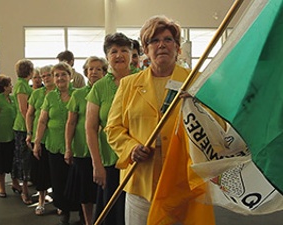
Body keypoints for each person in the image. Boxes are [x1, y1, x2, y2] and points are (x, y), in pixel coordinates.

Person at [105, 15, 215, 225]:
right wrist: (130, 148)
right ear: (146, 50)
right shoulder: (129, 84)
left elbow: (215, 126)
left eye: (168, 40)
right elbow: (113, 128)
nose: (161, 45)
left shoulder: (196, 82)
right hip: (141, 184)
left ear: (177, 47)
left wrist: (198, 106)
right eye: (154, 41)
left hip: (185, 184)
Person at [85, 32, 136, 225]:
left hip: (138, 162)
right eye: (113, 51)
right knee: (113, 215)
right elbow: (90, 128)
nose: (119, 55)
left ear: (131, 55)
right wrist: (96, 165)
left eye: (124, 50)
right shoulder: (99, 88)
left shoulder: (142, 80)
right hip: (110, 163)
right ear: (107, 57)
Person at [33, 62, 79, 225]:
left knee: (75, 181)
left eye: (63, 74)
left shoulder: (78, 94)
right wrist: (37, 142)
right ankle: (64, 212)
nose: (60, 78)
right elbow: (42, 121)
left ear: (70, 76)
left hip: (75, 145)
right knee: (58, 182)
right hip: (53, 145)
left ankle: (81, 213)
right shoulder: (50, 96)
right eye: (56, 75)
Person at [65, 56, 108, 225]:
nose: (94, 72)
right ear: (86, 72)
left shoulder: (110, 91)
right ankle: (89, 222)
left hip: (105, 150)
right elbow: (71, 123)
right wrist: (68, 147)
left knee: (104, 189)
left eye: (98, 69)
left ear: (104, 72)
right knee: (85, 191)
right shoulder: (78, 94)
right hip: (83, 149)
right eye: (91, 69)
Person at [26, 65, 55, 215]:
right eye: (42, 76)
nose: (45, 78)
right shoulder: (37, 94)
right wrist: (29, 133)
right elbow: (30, 114)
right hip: (40, 138)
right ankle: (41, 202)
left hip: (57, 140)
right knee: (41, 172)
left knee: (57, 172)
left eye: (48, 75)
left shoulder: (62, 92)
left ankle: (59, 201)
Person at [0, 75, 20, 198]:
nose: (12, 86)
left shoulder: (12, 98)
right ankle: (1, 185)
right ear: (4, 87)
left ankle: (15, 183)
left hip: (12, 135)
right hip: (1, 136)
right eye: (10, 85)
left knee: (13, 161)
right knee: (1, 162)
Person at [12, 59, 34, 205]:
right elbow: (24, 109)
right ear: (30, 71)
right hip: (22, 128)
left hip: (23, 127)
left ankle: (16, 183)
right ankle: (24, 191)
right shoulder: (21, 85)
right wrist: (29, 129)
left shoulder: (24, 84)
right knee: (24, 159)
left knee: (20, 157)